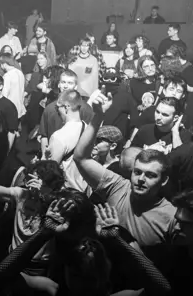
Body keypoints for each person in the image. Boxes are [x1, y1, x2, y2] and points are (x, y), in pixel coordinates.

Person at [74, 91, 179, 248]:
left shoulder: (171, 217)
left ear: (163, 180)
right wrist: (98, 116)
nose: (141, 179)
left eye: (150, 175)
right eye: (137, 172)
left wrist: (122, 240)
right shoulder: (119, 187)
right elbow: (81, 157)